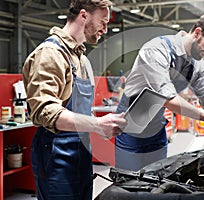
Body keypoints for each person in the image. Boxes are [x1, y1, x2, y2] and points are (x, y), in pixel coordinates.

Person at [115, 14, 204, 171]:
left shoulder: (197, 66)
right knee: (127, 183)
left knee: (155, 181)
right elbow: (167, 98)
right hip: (130, 127)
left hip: (156, 128)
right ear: (198, 33)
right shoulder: (157, 49)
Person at [22, 0, 127, 199]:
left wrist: (104, 125)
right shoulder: (51, 54)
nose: (105, 29)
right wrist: (96, 124)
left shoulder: (81, 59)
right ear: (84, 15)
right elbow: (46, 112)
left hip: (80, 154)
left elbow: (83, 112)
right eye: (102, 22)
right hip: (56, 157)